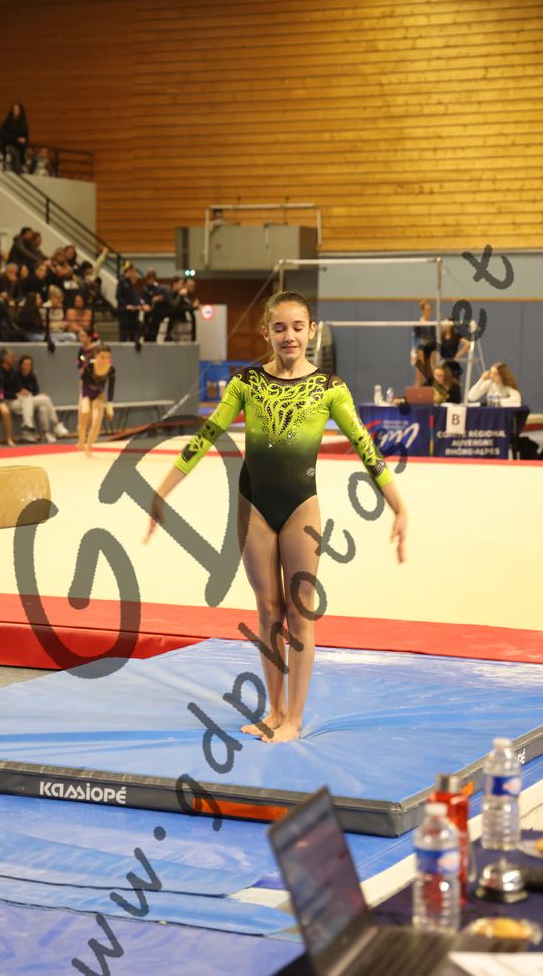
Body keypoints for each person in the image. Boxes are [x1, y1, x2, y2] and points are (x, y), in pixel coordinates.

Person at [146, 291, 407, 744]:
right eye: (280, 327)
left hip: (301, 505)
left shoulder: (329, 387)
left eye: (298, 327)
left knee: (300, 612)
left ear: (312, 331)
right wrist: (162, 491)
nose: (290, 336)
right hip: (254, 505)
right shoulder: (246, 383)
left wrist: (398, 506)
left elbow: (366, 448)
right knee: (268, 611)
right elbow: (205, 436)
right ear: (265, 332)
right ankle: (275, 710)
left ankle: (295, 719)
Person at [11, 354, 69, 442]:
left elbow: (35, 392)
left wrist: (38, 394)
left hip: (30, 401)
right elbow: (16, 390)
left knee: (43, 408)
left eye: (29, 365)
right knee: (45, 400)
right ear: (21, 365)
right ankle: (56, 424)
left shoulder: (32, 376)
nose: (27, 367)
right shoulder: (16, 375)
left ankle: (45, 433)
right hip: (19, 402)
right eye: (25, 364)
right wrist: (20, 392)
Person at [77, 345, 116, 454]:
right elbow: (83, 385)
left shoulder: (111, 370)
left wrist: (109, 406)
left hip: (98, 395)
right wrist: (85, 400)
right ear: (96, 356)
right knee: (82, 424)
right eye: (102, 357)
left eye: (108, 357)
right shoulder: (89, 366)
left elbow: (111, 388)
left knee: (96, 423)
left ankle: (89, 447)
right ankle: (81, 441)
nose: (105, 360)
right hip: (85, 393)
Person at [117, 262, 148, 344]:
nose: (134, 273)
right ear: (129, 271)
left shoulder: (131, 284)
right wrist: (126, 306)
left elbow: (135, 297)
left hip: (133, 312)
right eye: (133, 271)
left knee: (134, 331)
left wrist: (139, 305)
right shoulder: (122, 281)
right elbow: (118, 296)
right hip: (124, 312)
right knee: (124, 333)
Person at [412, 299, 438, 386]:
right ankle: (417, 389)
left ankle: (433, 390)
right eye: (427, 310)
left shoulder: (432, 324)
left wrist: (434, 350)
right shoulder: (418, 323)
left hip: (430, 349)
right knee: (420, 372)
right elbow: (415, 338)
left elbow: (434, 338)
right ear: (423, 311)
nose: (429, 312)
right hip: (421, 349)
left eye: (430, 310)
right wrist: (415, 351)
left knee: (432, 370)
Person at [0, 102, 29, 171]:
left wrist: (23, 140)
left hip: (20, 148)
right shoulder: (8, 121)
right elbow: (2, 134)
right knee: (13, 151)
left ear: (20, 111)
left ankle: (20, 167)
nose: (15, 110)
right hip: (9, 145)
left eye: (17, 109)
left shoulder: (23, 122)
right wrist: (16, 139)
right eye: (14, 109)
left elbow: (26, 136)